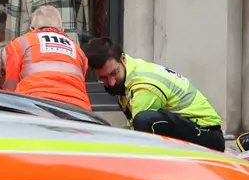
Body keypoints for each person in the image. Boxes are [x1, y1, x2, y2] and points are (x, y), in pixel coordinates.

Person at [84, 38, 225, 151]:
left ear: (123, 59)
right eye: (103, 78)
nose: (111, 82)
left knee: (144, 121)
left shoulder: (143, 86)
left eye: (114, 73)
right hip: (196, 130)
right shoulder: (129, 75)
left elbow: (138, 138)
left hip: (209, 137)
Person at [3, 6, 91, 110]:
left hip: (34, 104)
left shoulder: (19, 43)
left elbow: (10, 87)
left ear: (32, 29)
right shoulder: (78, 51)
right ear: (61, 30)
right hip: (78, 109)